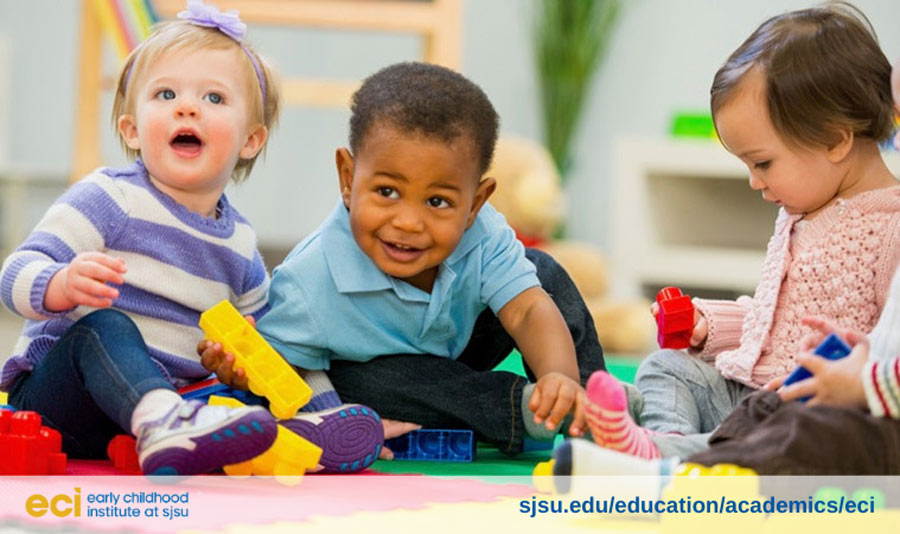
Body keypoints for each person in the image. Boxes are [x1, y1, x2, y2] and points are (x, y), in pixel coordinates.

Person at [583, 2, 900, 460]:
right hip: (744, 391)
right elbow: (774, 320)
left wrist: (844, 377)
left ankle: (666, 449)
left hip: (799, 406)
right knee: (666, 366)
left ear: (836, 140)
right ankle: (663, 441)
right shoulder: (801, 212)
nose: (754, 181)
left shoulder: (889, 228)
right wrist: (709, 325)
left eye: (763, 163)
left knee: (785, 433)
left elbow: (887, 348)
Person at [244, 62, 607, 456]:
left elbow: (526, 311)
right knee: (364, 385)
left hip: (465, 344)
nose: (408, 222)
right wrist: (323, 420)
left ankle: (590, 405)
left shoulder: (482, 233)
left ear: (475, 204)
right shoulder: (309, 281)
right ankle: (525, 410)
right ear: (348, 178)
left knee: (541, 272)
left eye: (437, 202)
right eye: (387, 192)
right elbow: (279, 371)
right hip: (403, 382)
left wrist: (558, 374)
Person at [0, 1, 284, 476]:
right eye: (166, 94)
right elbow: (13, 276)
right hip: (59, 404)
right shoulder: (109, 197)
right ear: (131, 131)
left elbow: (271, 342)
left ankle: (278, 431)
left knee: (246, 392)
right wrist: (61, 284)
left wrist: (237, 364)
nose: (187, 107)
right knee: (106, 327)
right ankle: (163, 420)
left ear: (250, 140)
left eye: (214, 98)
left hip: (153, 413)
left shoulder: (240, 246)